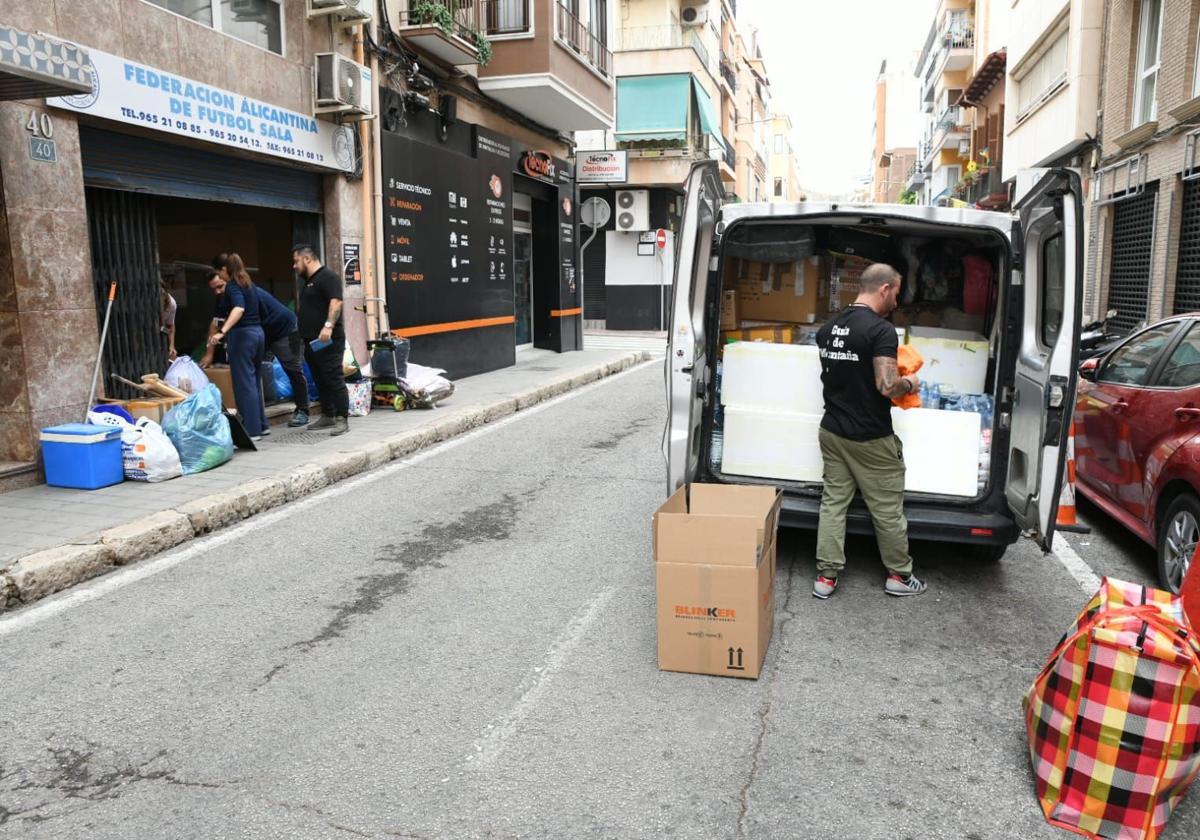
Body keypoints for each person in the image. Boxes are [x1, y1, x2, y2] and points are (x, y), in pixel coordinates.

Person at [812, 262, 927, 600]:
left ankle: (826, 576)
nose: (897, 302)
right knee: (887, 509)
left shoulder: (828, 327)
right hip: (870, 437)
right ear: (885, 289)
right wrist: (912, 381)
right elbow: (886, 386)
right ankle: (899, 576)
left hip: (832, 430)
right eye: (896, 293)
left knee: (834, 504)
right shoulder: (881, 331)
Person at [200, 256, 268, 441]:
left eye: (220, 272)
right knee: (254, 381)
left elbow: (238, 308)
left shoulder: (232, 286)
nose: (221, 277)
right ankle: (262, 425)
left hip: (243, 336)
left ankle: (252, 431)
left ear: (224, 269)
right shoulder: (248, 283)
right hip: (257, 333)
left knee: (244, 384)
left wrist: (222, 332)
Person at [293, 245, 349, 436]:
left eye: (296, 261)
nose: (294, 266)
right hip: (310, 340)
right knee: (320, 378)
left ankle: (342, 418)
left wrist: (328, 326)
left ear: (307, 259)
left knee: (333, 376)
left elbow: (336, 302)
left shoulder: (328, 277)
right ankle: (328, 415)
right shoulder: (308, 282)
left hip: (327, 339)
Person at [254, 284, 311, 428]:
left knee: (292, 368)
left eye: (220, 286)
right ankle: (257, 415)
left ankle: (303, 409)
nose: (218, 291)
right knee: (258, 369)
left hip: (286, 329)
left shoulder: (248, 293)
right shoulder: (229, 295)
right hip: (266, 333)